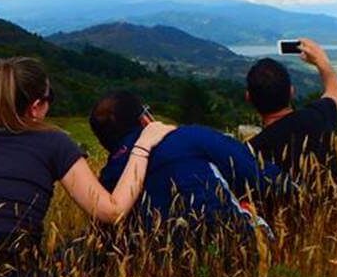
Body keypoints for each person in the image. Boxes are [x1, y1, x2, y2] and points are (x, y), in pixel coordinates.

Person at [0, 57, 173, 277]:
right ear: (35, 107)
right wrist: (143, 145)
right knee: (97, 241)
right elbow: (112, 211)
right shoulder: (55, 143)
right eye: (49, 98)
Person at [91, 91, 270, 240]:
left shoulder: (103, 188)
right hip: (233, 245)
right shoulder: (189, 137)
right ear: (144, 120)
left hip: (155, 272)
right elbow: (255, 175)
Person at [245, 38, 337, 207]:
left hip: (283, 231)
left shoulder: (249, 153)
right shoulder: (317, 117)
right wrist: (321, 59)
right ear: (291, 92)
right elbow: (336, 91)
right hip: (336, 229)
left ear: (248, 98)